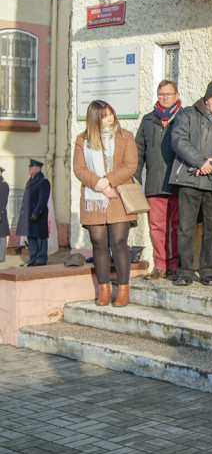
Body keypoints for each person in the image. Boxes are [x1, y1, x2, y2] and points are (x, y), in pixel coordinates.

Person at [169, 80, 212, 287]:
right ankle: (185, 271)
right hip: (189, 178)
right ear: (206, 100)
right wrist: (200, 161)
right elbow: (178, 140)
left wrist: (211, 165)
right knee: (185, 227)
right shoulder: (187, 114)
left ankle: (208, 271)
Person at [73, 101, 139, 306]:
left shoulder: (125, 136)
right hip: (94, 199)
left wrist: (108, 180)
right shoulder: (82, 140)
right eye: (104, 116)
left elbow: (130, 165)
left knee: (118, 242)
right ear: (95, 119)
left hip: (118, 196)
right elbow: (79, 169)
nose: (110, 119)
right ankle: (103, 289)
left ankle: (122, 289)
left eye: (111, 114)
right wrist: (99, 184)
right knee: (98, 243)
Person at [135, 80, 182, 280]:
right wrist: (136, 178)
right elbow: (138, 152)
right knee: (157, 227)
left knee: (177, 226)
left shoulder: (184, 118)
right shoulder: (147, 120)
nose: (164, 97)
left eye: (169, 94)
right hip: (155, 183)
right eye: (161, 94)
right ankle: (160, 266)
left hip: (179, 183)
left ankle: (175, 265)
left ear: (177, 95)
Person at [17, 158, 50, 266]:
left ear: (38, 168)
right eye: (29, 167)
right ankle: (33, 258)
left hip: (38, 215)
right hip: (29, 215)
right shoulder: (31, 180)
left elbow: (42, 199)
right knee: (31, 237)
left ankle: (41, 259)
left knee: (40, 237)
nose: (29, 168)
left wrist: (36, 213)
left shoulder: (43, 181)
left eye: (32, 167)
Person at [0, 166, 9, 263]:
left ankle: (1, 257)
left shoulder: (3, 185)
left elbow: (3, 201)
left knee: (2, 236)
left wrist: (1, 213)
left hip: (0, 214)